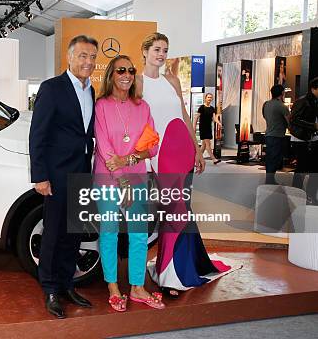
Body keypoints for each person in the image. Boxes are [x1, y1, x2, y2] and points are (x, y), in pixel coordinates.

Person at [137, 32, 233, 298]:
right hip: (158, 153)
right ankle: (172, 272)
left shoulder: (172, 80)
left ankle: (176, 270)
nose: (161, 54)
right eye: (156, 49)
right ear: (145, 51)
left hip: (182, 150)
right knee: (173, 210)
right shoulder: (136, 82)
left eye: (165, 50)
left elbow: (183, 114)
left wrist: (198, 150)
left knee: (180, 210)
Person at [29, 35, 97, 319]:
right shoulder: (52, 88)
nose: (88, 62)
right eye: (82, 56)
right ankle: (51, 289)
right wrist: (40, 176)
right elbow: (38, 134)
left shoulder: (91, 90)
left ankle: (67, 284)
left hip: (81, 171)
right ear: (69, 58)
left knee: (73, 233)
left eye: (92, 57)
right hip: (56, 176)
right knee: (53, 234)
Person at [94, 55, 164, 312]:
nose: (126, 75)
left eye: (130, 70)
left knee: (138, 234)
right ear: (111, 74)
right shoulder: (101, 105)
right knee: (110, 232)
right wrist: (121, 177)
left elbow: (153, 146)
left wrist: (129, 159)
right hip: (109, 180)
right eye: (120, 70)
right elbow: (103, 147)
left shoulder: (142, 107)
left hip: (136, 178)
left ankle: (137, 287)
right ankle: (113, 286)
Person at [289, 77, 318, 203]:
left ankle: (310, 195)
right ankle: (297, 195)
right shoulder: (303, 101)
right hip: (302, 139)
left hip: (312, 138)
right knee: (302, 168)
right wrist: (313, 126)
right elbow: (294, 119)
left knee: (314, 169)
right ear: (313, 88)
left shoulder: (314, 101)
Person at [262, 85, 290, 185]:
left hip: (268, 134)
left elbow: (265, 117)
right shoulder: (282, 106)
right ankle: (270, 180)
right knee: (274, 158)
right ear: (282, 93)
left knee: (270, 157)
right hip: (277, 135)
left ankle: (269, 179)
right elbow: (289, 121)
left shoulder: (266, 104)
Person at [193, 93, 221, 164]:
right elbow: (196, 117)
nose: (209, 99)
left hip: (209, 128)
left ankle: (196, 159)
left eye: (211, 97)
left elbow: (214, 118)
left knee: (203, 146)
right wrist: (194, 127)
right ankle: (214, 159)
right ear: (205, 98)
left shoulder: (212, 108)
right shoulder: (202, 107)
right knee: (208, 144)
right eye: (208, 97)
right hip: (203, 128)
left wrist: (218, 123)